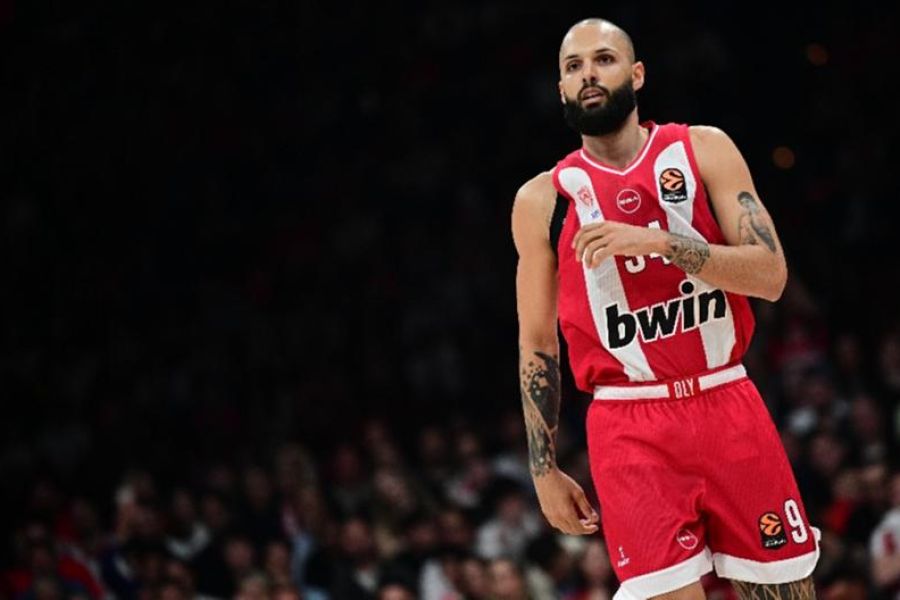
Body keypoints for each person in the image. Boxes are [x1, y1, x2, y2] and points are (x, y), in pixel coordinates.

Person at [511, 18, 820, 600]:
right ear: (561, 89)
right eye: (573, 67)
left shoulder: (703, 149)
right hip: (629, 426)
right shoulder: (541, 200)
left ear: (636, 74)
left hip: (726, 399)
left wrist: (659, 243)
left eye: (603, 60)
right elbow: (537, 342)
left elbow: (771, 276)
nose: (588, 75)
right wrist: (543, 468)